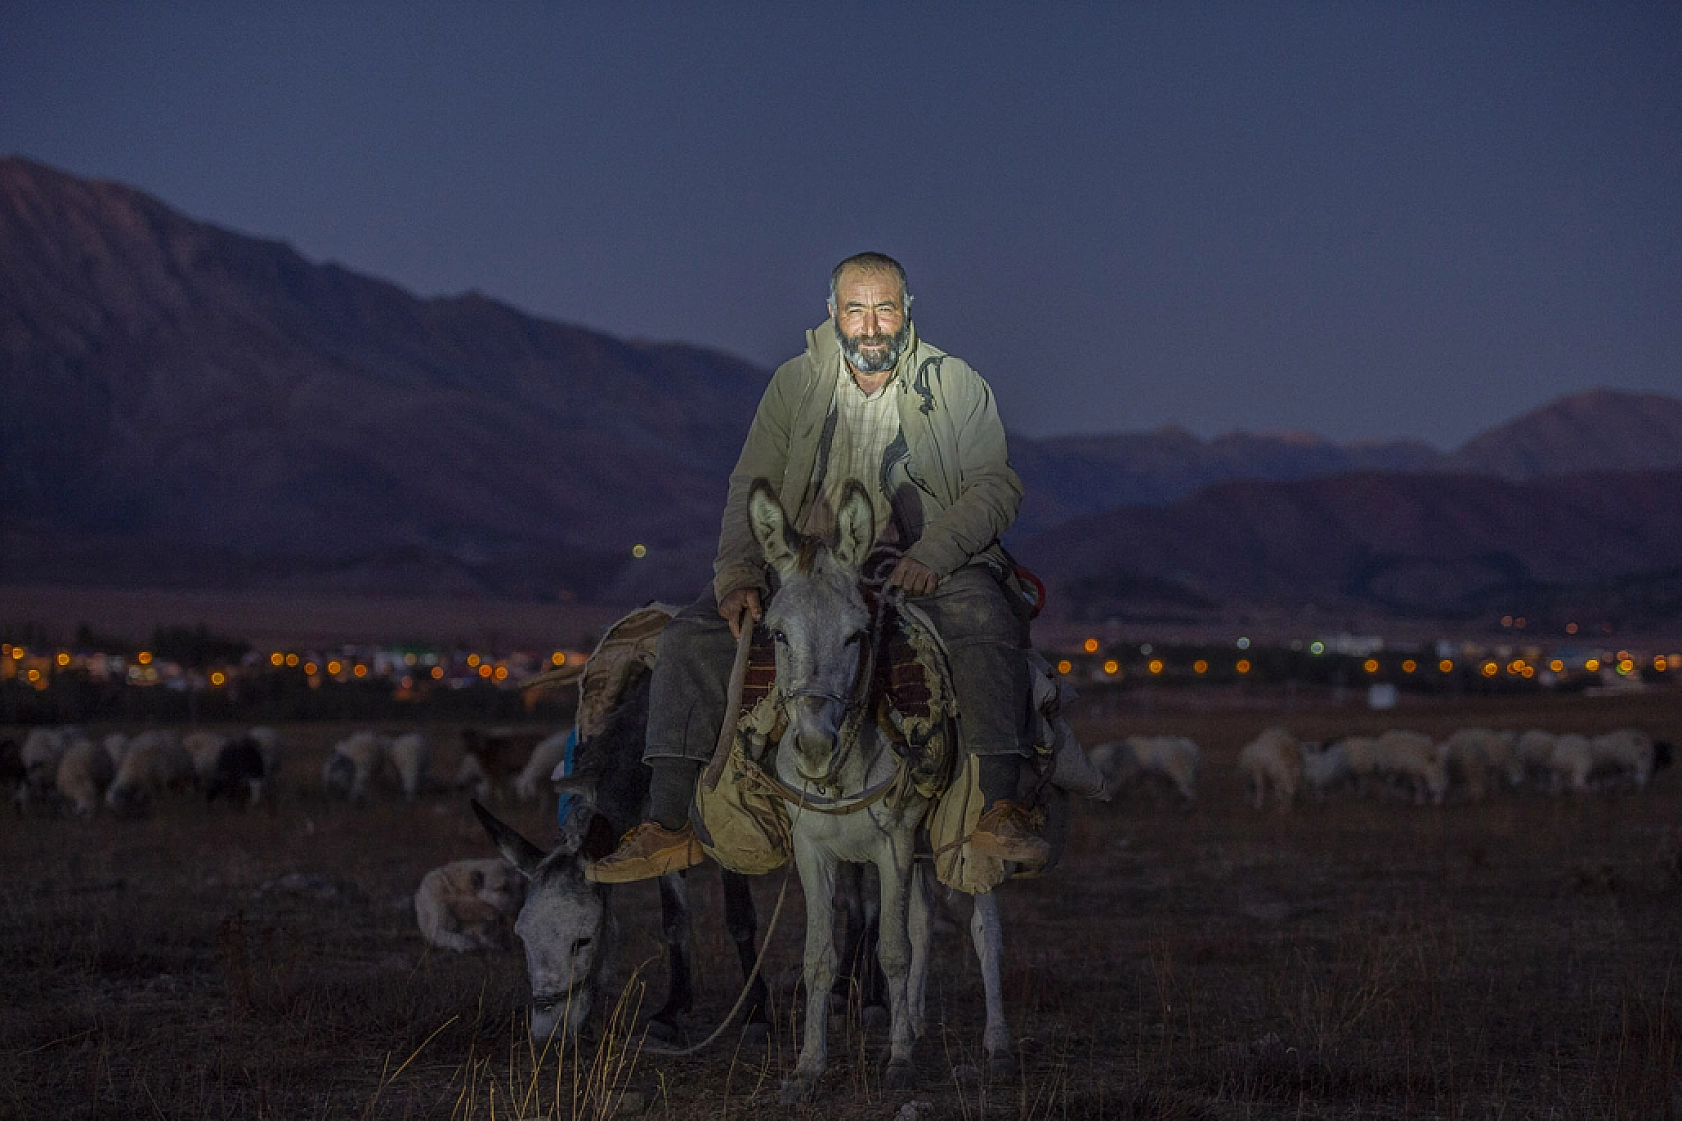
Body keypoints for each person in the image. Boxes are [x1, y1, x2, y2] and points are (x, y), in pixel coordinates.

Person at [587, 252, 1046, 883]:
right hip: (814, 559)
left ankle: (1001, 806)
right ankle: (667, 823)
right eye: (856, 309)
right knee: (692, 636)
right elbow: (752, 483)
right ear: (832, 312)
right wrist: (738, 574)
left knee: (982, 613)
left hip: (928, 556)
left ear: (907, 311)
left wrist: (934, 555)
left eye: (885, 308)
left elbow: (995, 485)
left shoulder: (955, 384)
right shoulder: (795, 385)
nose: (871, 325)